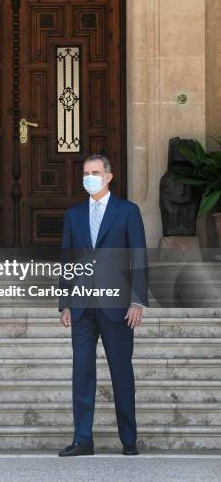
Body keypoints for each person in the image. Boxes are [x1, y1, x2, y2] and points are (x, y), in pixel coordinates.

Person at [58, 154, 148, 457]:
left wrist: (137, 300)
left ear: (109, 176)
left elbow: (139, 256)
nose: (89, 177)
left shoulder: (128, 212)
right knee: (81, 372)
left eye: (95, 172)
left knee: (121, 371)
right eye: (86, 173)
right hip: (82, 305)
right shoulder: (73, 215)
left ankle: (129, 439)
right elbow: (68, 259)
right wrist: (65, 302)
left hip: (118, 306)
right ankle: (83, 439)